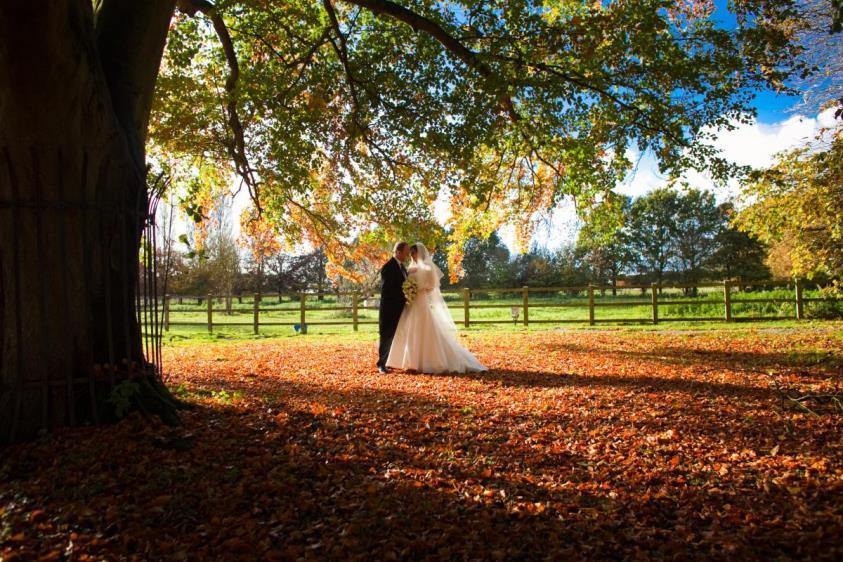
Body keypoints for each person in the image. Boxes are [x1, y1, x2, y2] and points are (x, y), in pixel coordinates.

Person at [386, 243, 487, 374]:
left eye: (413, 253)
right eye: (410, 253)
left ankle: (425, 363)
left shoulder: (427, 268)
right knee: (410, 330)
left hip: (420, 302)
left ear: (419, 253)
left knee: (422, 330)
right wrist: (409, 291)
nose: (411, 255)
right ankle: (411, 362)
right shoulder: (409, 268)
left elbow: (432, 286)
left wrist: (418, 289)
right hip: (410, 304)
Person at [377, 241, 410, 373]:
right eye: (406, 252)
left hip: (400, 308)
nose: (408, 255)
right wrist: (403, 295)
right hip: (389, 309)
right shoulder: (388, 267)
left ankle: (389, 362)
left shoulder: (402, 268)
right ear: (398, 252)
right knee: (386, 336)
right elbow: (386, 291)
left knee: (394, 337)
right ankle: (381, 364)